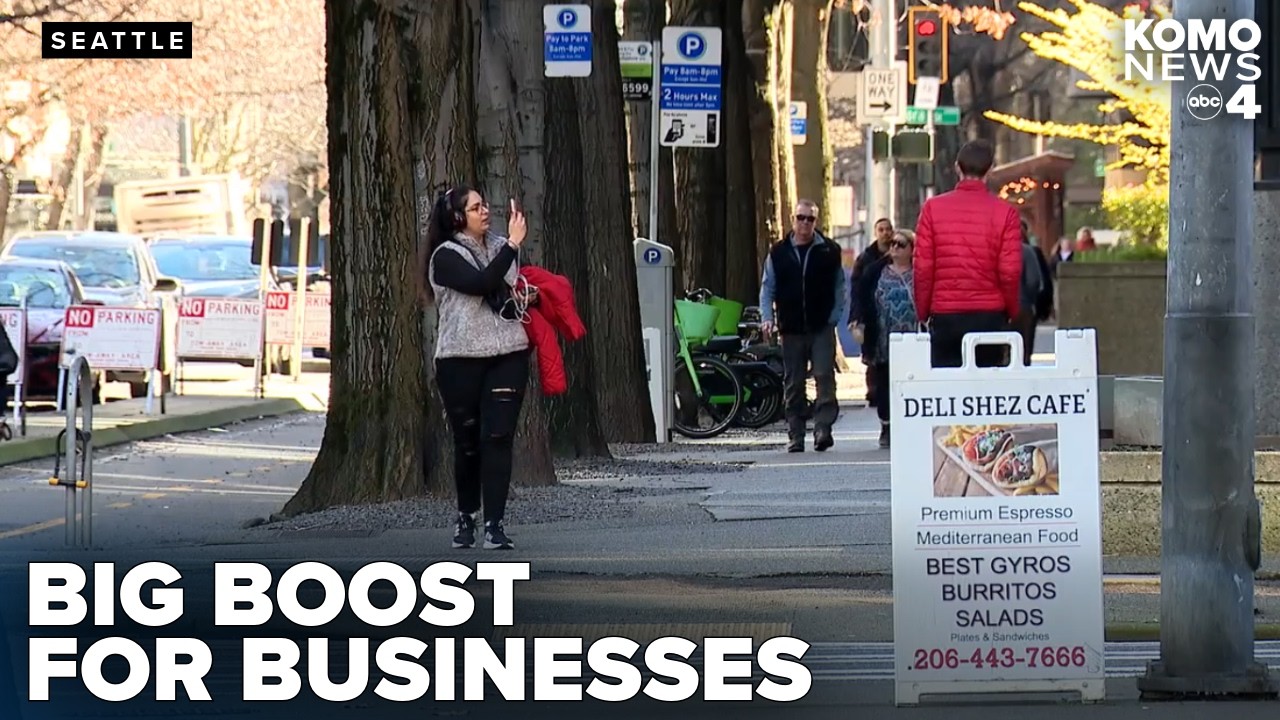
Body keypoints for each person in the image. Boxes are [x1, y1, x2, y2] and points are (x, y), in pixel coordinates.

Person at [420, 185, 530, 551]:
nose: (486, 212)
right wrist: (514, 245)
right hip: (460, 359)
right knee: (468, 442)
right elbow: (481, 284)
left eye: (486, 205)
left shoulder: (501, 247)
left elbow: (510, 288)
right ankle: (466, 515)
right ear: (457, 217)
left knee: (498, 437)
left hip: (508, 354)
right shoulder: (445, 257)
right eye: (476, 207)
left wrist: (529, 294)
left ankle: (495, 525)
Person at [913, 140, 1022, 368]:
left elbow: (923, 268)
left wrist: (923, 310)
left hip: (945, 313)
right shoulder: (1006, 213)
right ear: (990, 169)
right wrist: (1010, 310)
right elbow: (1010, 270)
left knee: (947, 388)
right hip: (990, 313)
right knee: (986, 387)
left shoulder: (932, 209)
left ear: (957, 168)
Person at [760, 199, 845, 453]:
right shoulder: (778, 252)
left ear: (816, 222)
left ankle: (822, 428)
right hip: (791, 327)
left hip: (821, 326)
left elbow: (839, 287)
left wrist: (833, 317)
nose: (805, 223)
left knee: (824, 376)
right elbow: (767, 288)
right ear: (793, 219)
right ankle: (795, 433)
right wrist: (768, 317)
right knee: (794, 382)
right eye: (801, 218)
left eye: (810, 219)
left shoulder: (829, 250)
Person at [852, 229, 917, 449]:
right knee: (884, 383)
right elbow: (860, 295)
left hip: (912, 338)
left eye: (900, 244)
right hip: (883, 337)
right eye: (892, 244)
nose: (895, 248)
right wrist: (857, 319)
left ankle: (908, 424)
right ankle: (886, 425)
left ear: (911, 249)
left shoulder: (919, 273)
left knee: (910, 383)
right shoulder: (875, 271)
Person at [850, 218, 894, 403]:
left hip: (893, 314)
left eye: (888, 229)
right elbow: (856, 288)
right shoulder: (866, 258)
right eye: (881, 229)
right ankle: (874, 392)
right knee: (873, 355)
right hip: (871, 313)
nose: (885, 233)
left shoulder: (899, 253)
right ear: (876, 233)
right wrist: (855, 316)